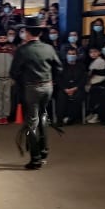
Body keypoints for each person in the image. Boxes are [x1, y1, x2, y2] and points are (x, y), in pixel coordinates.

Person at [10, 17, 63, 170]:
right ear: (40, 32)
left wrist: (23, 81)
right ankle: (44, 152)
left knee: (32, 122)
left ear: (27, 32)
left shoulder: (22, 50)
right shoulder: (49, 48)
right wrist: (51, 80)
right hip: (47, 86)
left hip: (31, 88)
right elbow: (59, 68)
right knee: (43, 117)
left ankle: (35, 158)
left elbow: (14, 72)